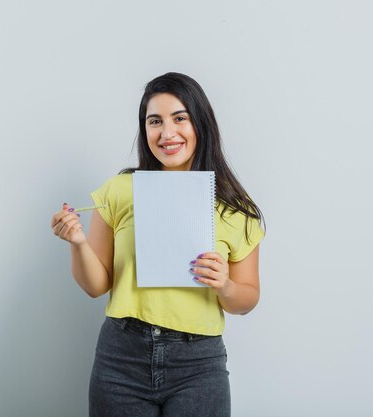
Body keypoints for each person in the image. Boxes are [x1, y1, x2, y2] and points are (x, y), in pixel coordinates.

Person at [50, 72, 265, 417]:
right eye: (155, 121)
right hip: (121, 356)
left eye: (180, 118)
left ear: (201, 123)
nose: (167, 133)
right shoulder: (119, 191)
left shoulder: (235, 208)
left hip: (198, 364)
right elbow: (96, 286)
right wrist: (77, 243)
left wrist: (224, 284)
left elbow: (247, 299)